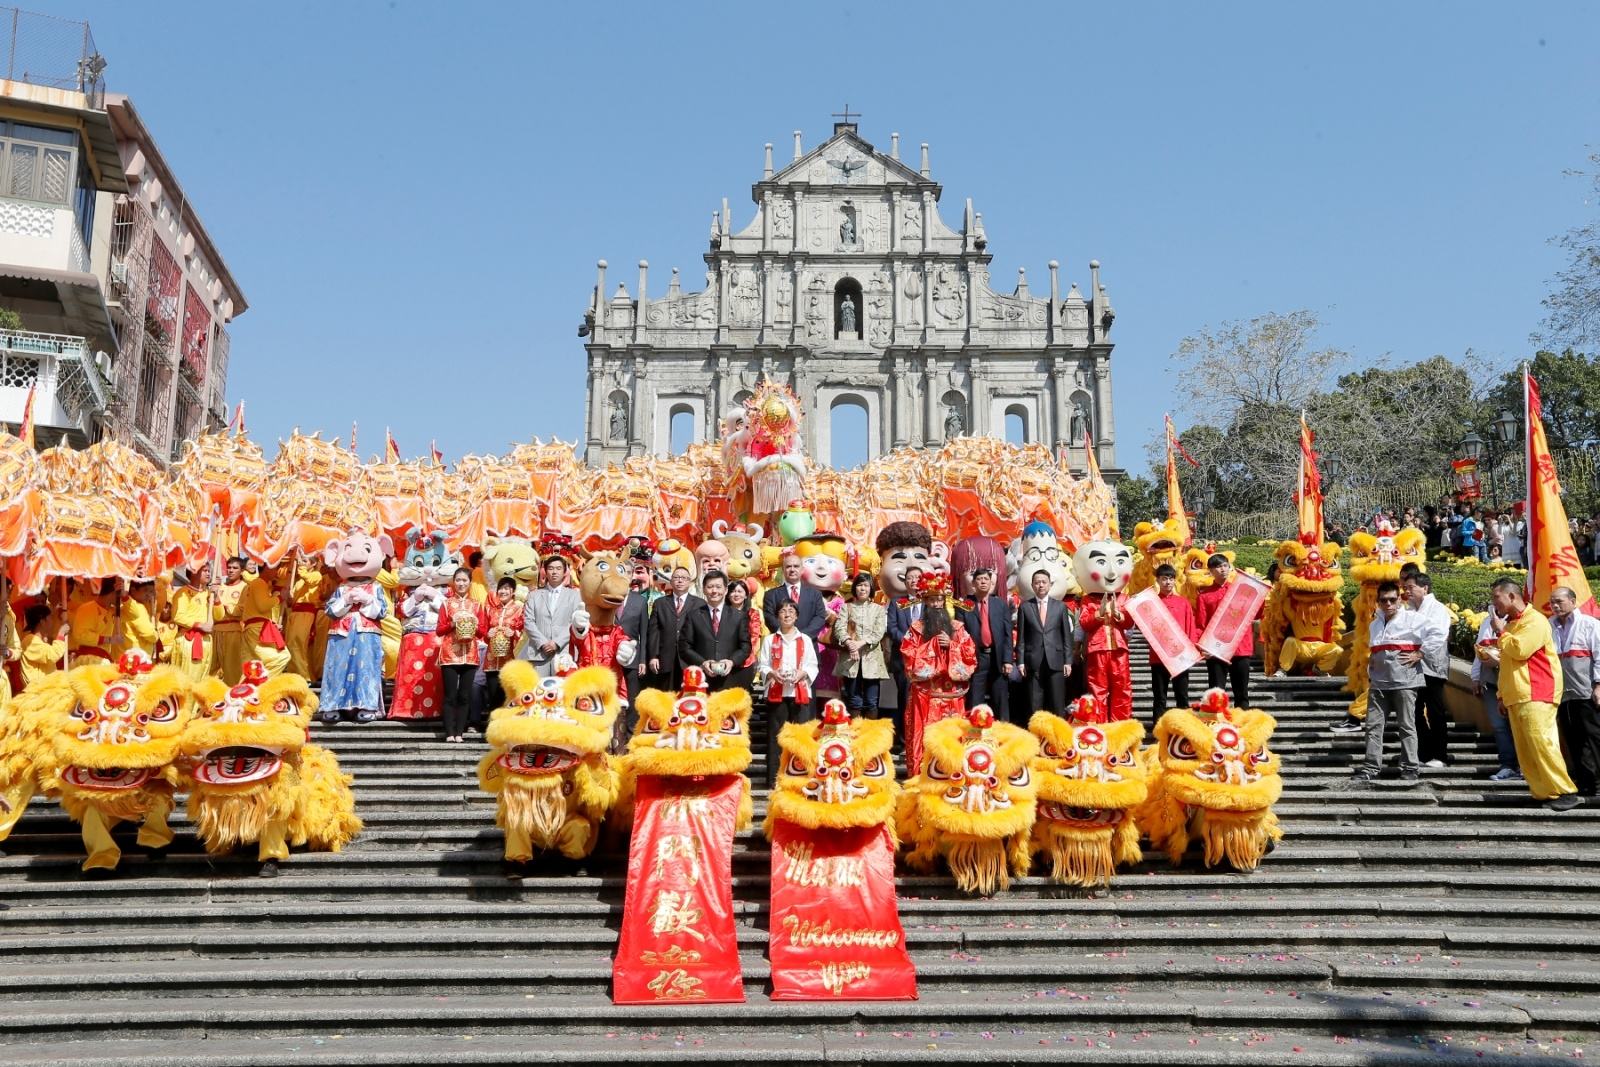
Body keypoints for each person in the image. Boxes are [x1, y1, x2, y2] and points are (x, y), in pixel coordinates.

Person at [1491, 577, 1581, 810]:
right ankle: (1543, 792)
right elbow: (1507, 662)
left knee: (1542, 743)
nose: (1494, 603)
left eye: (1496, 597)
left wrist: (1501, 633)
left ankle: (1565, 790)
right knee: (1526, 748)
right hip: (1516, 693)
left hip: (1537, 691)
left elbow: (1520, 650)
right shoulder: (1511, 624)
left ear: (1511, 596)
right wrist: (1501, 694)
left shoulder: (1535, 620)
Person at [899, 573, 977, 776]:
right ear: (925, 602)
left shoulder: (958, 629)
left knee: (952, 737)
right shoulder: (915, 630)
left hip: (952, 696)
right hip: (926, 694)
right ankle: (921, 776)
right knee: (924, 738)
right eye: (932, 599)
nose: (936, 604)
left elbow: (970, 656)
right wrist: (933, 646)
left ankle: (953, 773)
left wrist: (951, 646)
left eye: (939, 599)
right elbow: (909, 656)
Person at [1350, 581, 1423, 785]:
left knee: (1406, 725)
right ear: (1378, 601)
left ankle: (1410, 766)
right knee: (1373, 726)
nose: (1388, 603)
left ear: (1400, 599)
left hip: (1405, 682)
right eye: (1384, 600)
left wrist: (1421, 653)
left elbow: (1438, 634)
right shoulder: (1375, 624)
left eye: (1392, 599)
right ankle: (1371, 767)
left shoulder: (1413, 619)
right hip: (1379, 683)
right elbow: (1374, 650)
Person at [758, 599, 818, 786]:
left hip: (799, 692)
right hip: (777, 692)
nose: (787, 614)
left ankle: (802, 778)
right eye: (783, 611)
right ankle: (774, 778)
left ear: (797, 616)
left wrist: (802, 674)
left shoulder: (805, 640)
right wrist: (772, 674)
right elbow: (763, 665)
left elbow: (812, 664)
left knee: (801, 736)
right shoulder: (769, 640)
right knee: (776, 736)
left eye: (791, 611)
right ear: (777, 616)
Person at [1550, 586, 1600, 798]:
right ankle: (1586, 783)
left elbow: (1599, 655)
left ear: (1573, 601)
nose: (1555, 605)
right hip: (1563, 695)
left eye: (1559, 601)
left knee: (1595, 738)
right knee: (1574, 740)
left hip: (1586, 693)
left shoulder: (1590, 625)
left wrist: (1598, 685)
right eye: (1552, 602)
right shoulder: (1549, 626)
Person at [1402, 572, 1452, 766]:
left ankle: (1440, 755)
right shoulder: (1410, 609)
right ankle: (1424, 752)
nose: (1407, 592)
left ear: (1425, 588)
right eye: (1405, 588)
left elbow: (1438, 635)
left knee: (1435, 711)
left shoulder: (1437, 609)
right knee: (1414, 711)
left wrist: (1420, 653)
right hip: (1414, 668)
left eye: (1411, 587)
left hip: (1432, 667)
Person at [676, 570, 752, 693]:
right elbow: (684, 647)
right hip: (702, 680)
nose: (714, 591)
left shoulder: (739, 616)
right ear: (704, 590)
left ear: (726, 590)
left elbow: (745, 646)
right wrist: (702, 662)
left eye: (718, 587)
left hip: (731, 679)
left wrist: (731, 661)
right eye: (710, 587)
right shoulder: (694, 616)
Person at [1196, 554, 1255, 709]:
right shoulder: (1204, 595)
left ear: (1230, 567)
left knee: (1242, 693)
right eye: (1218, 567)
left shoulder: (1242, 591)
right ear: (1210, 571)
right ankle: (1216, 726)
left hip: (1240, 648)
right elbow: (1200, 624)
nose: (1222, 569)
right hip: (1216, 650)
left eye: (1225, 566)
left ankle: (1242, 727)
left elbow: (1257, 612)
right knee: (1216, 693)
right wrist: (1202, 647)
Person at [1470, 603, 1521, 781]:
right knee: (1499, 726)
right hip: (1491, 681)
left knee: (1520, 725)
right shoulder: (1486, 622)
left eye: (1499, 598)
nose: (1495, 603)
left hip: (1515, 681)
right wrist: (1475, 677)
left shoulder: (1520, 622)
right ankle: (1507, 765)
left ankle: (1525, 766)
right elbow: (1479, 649)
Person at [1016, 568, 1074, 715]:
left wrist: (1068, 661)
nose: (1040, 585)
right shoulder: (1025, 607)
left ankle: (1057, 735)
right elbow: (1021, 637)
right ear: (1032, 585)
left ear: (1049, 584)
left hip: (1056, 659)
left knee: (1057, 702)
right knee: (1034, 703)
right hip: (1033, 660)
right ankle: (1036, 735)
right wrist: (1020, 661)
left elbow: (1066, 636)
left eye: (1043, 582)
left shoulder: (1060, 607)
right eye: (1037, 583)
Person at [958, 566, 1013, 720]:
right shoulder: (964, 605)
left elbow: (1007, 633)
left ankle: (1003, 731)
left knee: (1000, 698)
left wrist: (1008, 659)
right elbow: (960, 634)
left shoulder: (1000, 605)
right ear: (973, 584)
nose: (983, 582)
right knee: (975, 698)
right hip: (976, 658)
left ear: (991, 583)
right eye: (979, 579)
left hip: (997, 656)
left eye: (986, 579)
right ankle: (974, 733)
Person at [435, 567, 481, 744]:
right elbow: (439, 631)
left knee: (465, 696)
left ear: (470, 583)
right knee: (450, 696)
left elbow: (483, 632)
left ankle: (459, 733)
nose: (461, 583)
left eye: (465, 580)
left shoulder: (476, 605)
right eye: (458, 580)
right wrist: (451, 624)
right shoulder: (446, 604)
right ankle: (449, 732)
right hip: (449, 655)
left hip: (469, 655)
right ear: (453, 582)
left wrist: (476, 626)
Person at [835, 571, 888, 718]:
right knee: (854, 700)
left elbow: (879, 631)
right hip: (850, 659)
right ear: (854, 588)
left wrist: (861, 643)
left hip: (871, 659)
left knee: (871, 700)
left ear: (871, 588)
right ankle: (855, 733)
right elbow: (839, 628)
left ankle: (870, 736)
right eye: (859, 585)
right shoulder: (847, 607)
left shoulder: (878, 609)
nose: (862, 589)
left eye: (866, 585)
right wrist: (849, 643)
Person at [1149, 563, 1197, 717]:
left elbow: (1190, 627)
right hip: (1159, 656)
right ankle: (1158, 727)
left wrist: (1192, 651)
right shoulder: (1150, 603)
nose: (1168, 582)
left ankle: (1183, 726)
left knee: (1182, 694)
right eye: (1164, 579)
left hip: (1180, 656)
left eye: (1170, 578)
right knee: (1159, 696)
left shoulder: (1183, 603)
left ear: (1175, 580)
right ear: (1157, 580)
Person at [523, 555, 581, 676]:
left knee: (562, 691)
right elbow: (528, 622)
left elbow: (574, 623)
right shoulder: (534, 595)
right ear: (545, 571)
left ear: (565, 572)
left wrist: (557, 642)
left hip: (564, 653)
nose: (554, 572)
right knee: (539, 691)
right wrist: (543, 642)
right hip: (539, 653)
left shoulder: (574, 596)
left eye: (559, 568)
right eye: (551, 568)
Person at [647, 566, 702, 691]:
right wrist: (653, 656)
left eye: (684, 578)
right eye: (676, 577)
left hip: (691, 659)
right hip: (666, 658)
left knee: (690, 697)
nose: (680, 581)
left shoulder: (699, 604)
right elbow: (654, 632)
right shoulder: (660, 603)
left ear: (690, 582)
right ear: (671, 581)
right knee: (667, 697)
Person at [238, 563, 291, 679]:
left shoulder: (260, 584)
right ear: (267, 567)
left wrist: (272, 624)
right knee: (282, 657)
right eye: (275, 568)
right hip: (256, 630)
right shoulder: (259, 583)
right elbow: (263, 606)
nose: (277, 571)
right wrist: (280, 597)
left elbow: (258, 610)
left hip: (255, 628)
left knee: (252, 665)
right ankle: (258, 684)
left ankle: (247, 690)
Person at [481, 577, 524, 716]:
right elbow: (483, 632)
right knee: (493, 695)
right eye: (501, 588)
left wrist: (515, 633)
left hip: (510, 659)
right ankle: (492, 727)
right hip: (491, 659)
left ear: (513, 591)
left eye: (507, 588)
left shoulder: (520, 609)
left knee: (508, 695)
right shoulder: (492, 610)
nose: (503, 591)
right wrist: (488, 634)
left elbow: (525, 632)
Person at [761, 551, 829, 639]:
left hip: (808, 644)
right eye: (788, 566)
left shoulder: (815, 594)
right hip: (782, 644)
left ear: (802, 570)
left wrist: (801, 636)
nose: (792, 569)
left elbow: (820, 617)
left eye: (796, 566)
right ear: (783, 570)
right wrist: (787, 635)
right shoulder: (771, 595)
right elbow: (770, 618)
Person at [166, 565, 215, 682]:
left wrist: (216, 599)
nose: (208, 574)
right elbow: (177, 616)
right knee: (187, 678)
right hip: (189, 641)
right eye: (204, 571)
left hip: (206, 641)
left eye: (209, 571)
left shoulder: (210, 594)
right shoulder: (183, 593)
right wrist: (199, 625)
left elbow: (219, 615)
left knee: (202, 679)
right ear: (193, 572)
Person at [211, 556, 251, 682]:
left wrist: (225, 606)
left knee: (232, 668)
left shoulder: (245, 587)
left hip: (233, 631)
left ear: (242, 571)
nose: (231, 570)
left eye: (235, 568)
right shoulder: (219, 586)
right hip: (215, 631)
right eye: (229, 568)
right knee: (211, 668)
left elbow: (242, 610)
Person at [17, 604, 67, 690]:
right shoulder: (30, 640)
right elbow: (52, 655)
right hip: (37, 695)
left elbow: (48, 664)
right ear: (42, 621)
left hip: (46, 692)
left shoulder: (40, 641)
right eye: (50, 618)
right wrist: (61, 634)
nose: (52, 621)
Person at [726, 577, 762, 692]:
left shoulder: (752, 614)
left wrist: (738, 656)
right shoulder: (722, 613)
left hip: (745, 661)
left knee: (743, 697)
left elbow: (754, 636)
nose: (736, 594)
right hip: (725, 661)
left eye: (740, 591)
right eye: (733, 591)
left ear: (746, 595)